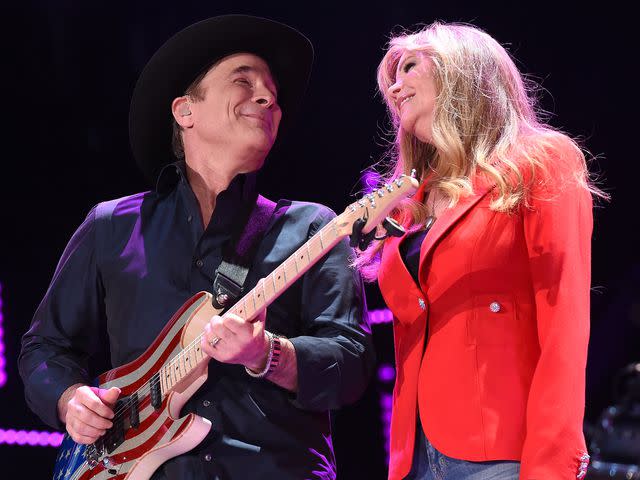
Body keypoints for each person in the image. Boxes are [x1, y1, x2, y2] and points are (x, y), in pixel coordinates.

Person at [19, 15, 374, 480]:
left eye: (272, 91)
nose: (268, 97)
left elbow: (351, 364)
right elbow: (45, 346)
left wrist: (267, 355)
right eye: (243, 81)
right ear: (185, 111)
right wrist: (69, 401)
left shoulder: (312, 226)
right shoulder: (111, 226)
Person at [355, 21, 606, 480]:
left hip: (502, 453)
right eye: (391, 77)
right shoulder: (408, 205)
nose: (394, 86)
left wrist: (553, 463)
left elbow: (565, 322)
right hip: (414, 455)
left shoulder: (540, 162)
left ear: (461, 70)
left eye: (409, 67)